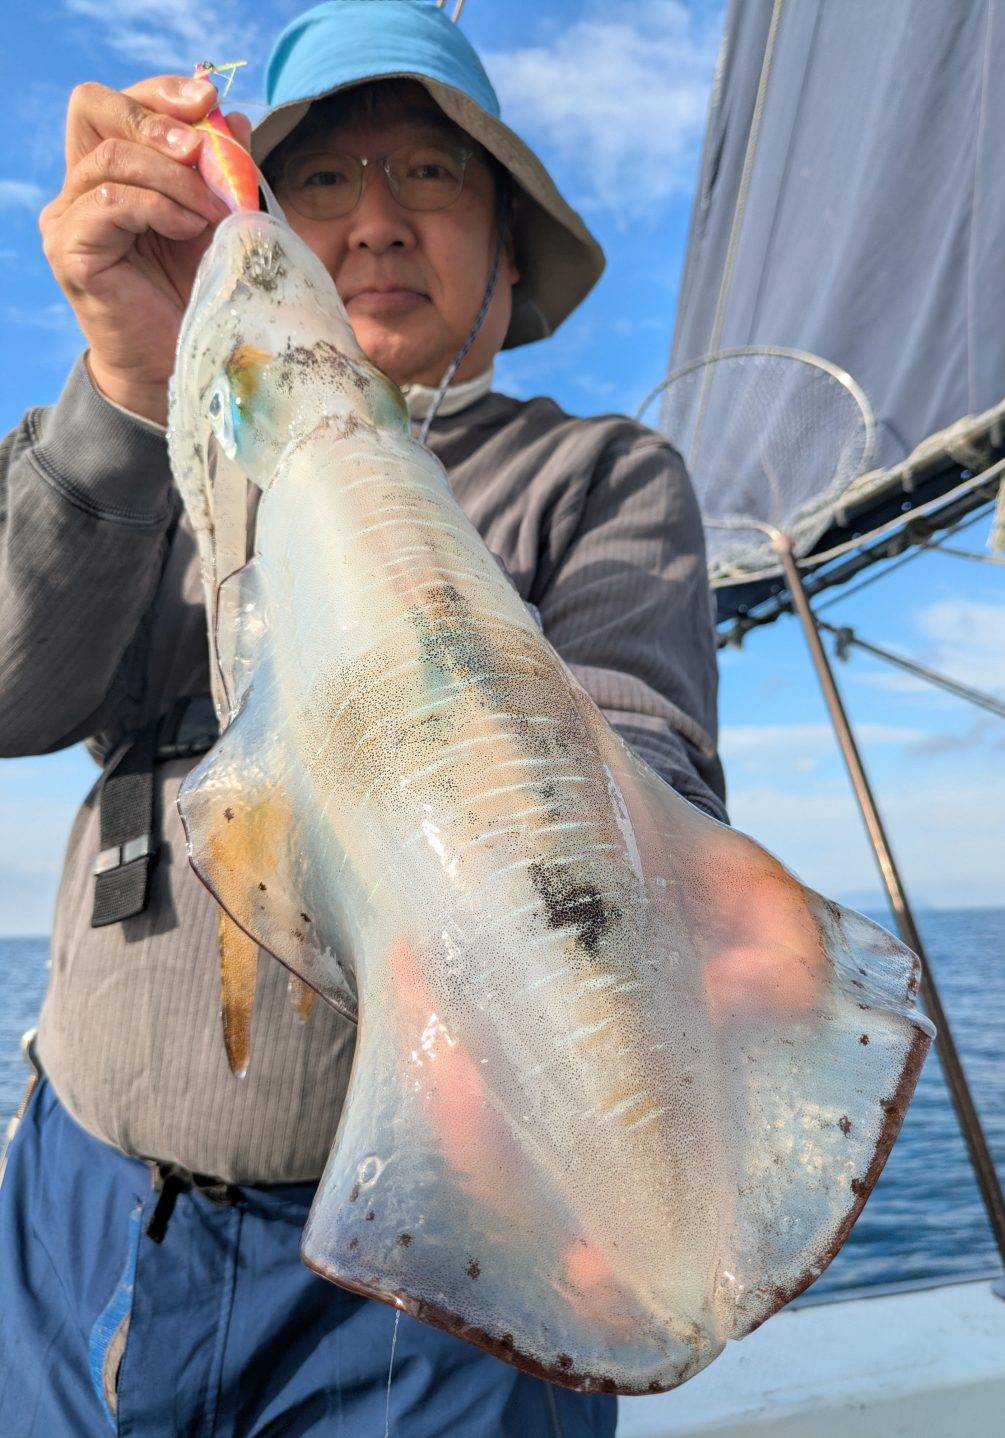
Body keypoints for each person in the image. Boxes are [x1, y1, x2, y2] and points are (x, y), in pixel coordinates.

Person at [0, 2, 725, 1432]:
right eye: (322, 181)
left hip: (440, 1286)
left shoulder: (599, 480)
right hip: (88, 1215)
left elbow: (646, 796)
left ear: (508, 258)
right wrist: (134, 391)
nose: (378, 223)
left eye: (434, 175)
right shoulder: (161, 457)